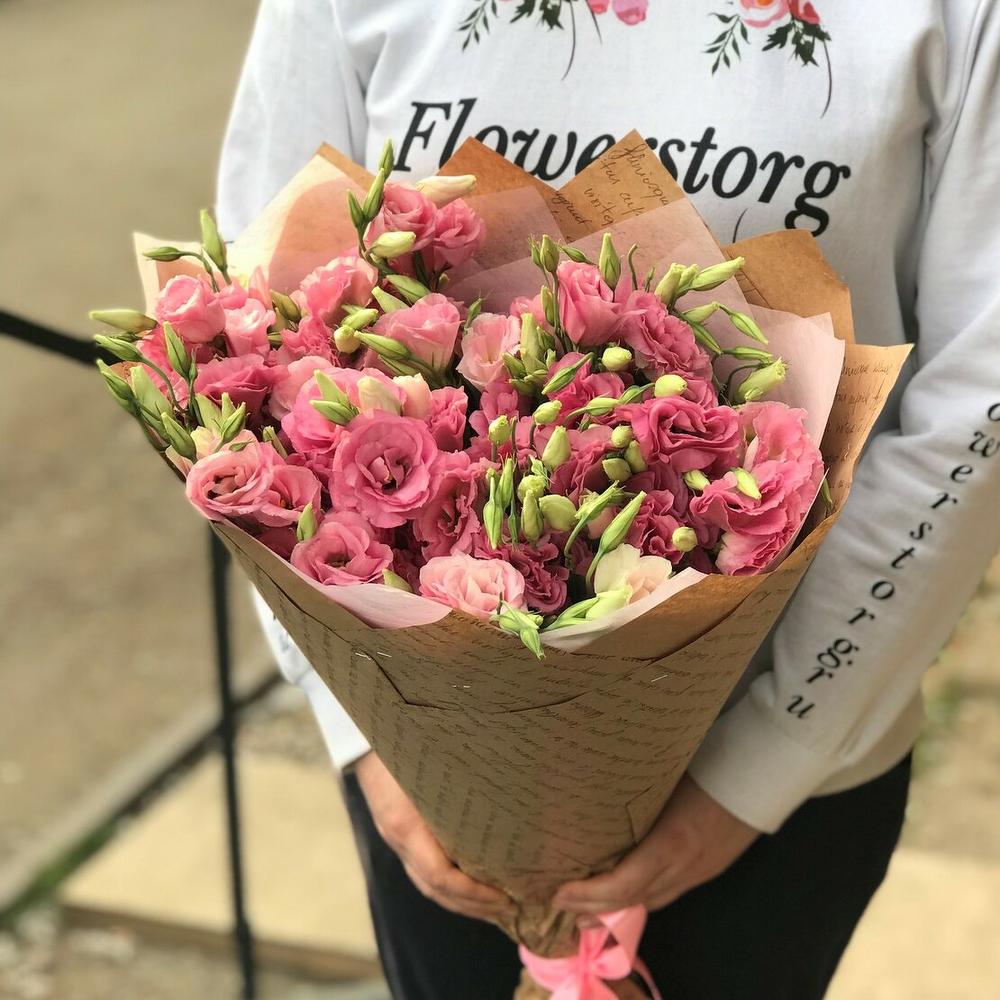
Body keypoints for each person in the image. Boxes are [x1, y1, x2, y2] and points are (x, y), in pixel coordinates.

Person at [216, 2, 1000, 997]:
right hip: (429, 779)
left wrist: (762, 765)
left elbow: (977, 392)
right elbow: (255, 297)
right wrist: (366, 731)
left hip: (777, 768)